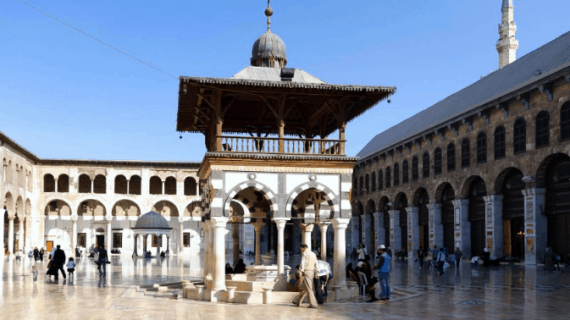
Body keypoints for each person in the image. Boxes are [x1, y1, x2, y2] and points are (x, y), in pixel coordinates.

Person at [292, 244, 318, 308]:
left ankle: (313, 304)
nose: (301, 250)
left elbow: (303, 263)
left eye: (301, 248)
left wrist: (300, 272)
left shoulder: (305, 254)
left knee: (309, 288)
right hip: (311, 272)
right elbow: (316, 264)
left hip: (306, 272)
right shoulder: (313, 254)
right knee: (304, 287)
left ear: (303, 248)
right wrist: (316, 272)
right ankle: (298, 301)